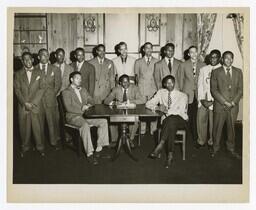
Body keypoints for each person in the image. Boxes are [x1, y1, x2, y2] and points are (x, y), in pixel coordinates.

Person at [62, 71, 110, 165]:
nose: (80, 80)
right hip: (73, 116)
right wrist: (82, 109)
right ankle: (90, 153)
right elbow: (69, 107)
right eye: (77, 78)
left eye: (80, 78)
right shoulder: (65, 92)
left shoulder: (83, 89)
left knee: (103, 121)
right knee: (85, 125)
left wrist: (88, 105)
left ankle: (99, 148)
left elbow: (91, 100)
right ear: (71, 79)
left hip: (85, 115)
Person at [146, 75, 188, 168]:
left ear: (174, 83)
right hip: (168, 122)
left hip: (180, 120)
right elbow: (148, 104)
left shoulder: (182, 95)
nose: (170, 85)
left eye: (172, 82)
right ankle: (170, 156)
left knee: (172, 118)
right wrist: (157, 107)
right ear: (164, 84)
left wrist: (166, 111)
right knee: (171, 124)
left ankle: (160, 144)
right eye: (167, 83)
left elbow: (180, 112)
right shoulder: (161, 93)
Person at [210, 51, 243, 159]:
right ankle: (215, 148)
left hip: (233, 106)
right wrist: (225, 102)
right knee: (217, 128)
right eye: (226, 58)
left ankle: (231, 149)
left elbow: (240, 89)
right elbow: (213, 90)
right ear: (222, 60)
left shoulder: (238, 72)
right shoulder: (215, 72)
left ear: (233, 59)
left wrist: (233, 102)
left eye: (231, 58)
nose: (229, 60)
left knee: (232, 129)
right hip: (220, 106)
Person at [14, 52, 46, 157]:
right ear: (22, 61)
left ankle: (40, 147)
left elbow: (42, 88)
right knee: (24, 128)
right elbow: (17, 90)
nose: (27, 61)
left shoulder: (40, 72)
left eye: (29, 59)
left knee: (38, 128)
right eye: (25, 59)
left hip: (36, 106)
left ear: (33, 60)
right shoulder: (18, 74)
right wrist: (24, 103)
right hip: (23, 106)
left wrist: (33, 103)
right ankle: (25, 147)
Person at [104, 74, 146, 147]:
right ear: (120, 83)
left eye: (127, 82)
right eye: (124, 82)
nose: (126, 84)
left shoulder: (135, 88)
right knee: (111, 120)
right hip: (118, 112)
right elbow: (106, 101)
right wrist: (114, 102)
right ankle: (115, 141)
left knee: (135, 120)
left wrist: (130, 101)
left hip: (132, 111)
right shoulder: (116, 89)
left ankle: (130, 139)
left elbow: (142, 100)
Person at [176, 46, 205, 144]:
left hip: (199, 94)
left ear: (198, 53)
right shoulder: (183, 65)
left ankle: (197, 137)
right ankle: (186, 137)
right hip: (187, 94)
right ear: (188, 54)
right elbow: (180, 80)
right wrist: (181, 94)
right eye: (191, 52)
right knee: (187, 116)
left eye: (195, 52)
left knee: (198, 117)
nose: (193, 54)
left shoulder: (203, 65)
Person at [36, 48, 62, 150]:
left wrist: (52, 95)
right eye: (43, 55)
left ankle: (54, 141)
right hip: (38, 101)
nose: (45, 57)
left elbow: (58, 84)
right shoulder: (34, 69)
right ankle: (40, 143)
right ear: (38, 57)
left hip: (51, 100)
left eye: (47, 55)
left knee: (52, 122)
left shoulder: (55, 69)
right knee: (39, 123)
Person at [196, 49, 222, 148]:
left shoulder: (222, 69)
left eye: (215, 57)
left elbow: (222, 89)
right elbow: (200, 86)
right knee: (201, 119)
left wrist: (214, 101)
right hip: (204, 98)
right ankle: (201, 140)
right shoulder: (204, 69)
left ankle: (212, 141)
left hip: (216, 100)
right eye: (211, 57)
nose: (213, 59)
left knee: (213, 121)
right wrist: (202, 100)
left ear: (219, 58)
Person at [135, 42, 159, 135]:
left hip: (153, 90)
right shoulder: (138, 62)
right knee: (142, 109)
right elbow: (136, 77)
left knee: (153, 109)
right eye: (147, 48)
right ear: (143, 50)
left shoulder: (157, 61)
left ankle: (153, 130)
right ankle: (142, 130)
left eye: (150, 48)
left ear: (152, 49)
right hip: (142, 89)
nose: (149, 50)